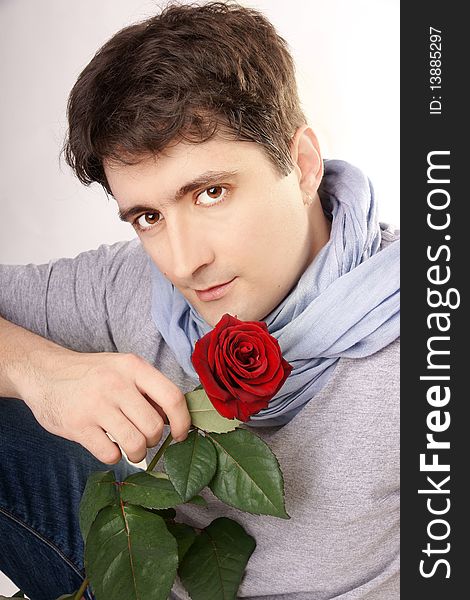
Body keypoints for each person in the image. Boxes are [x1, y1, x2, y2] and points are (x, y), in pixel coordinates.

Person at [0, 2, 400, 599]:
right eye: (148, 215)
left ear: (303, 164)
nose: (183, 263)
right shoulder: (129, 282)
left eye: (211, 192)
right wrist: (39, 372)